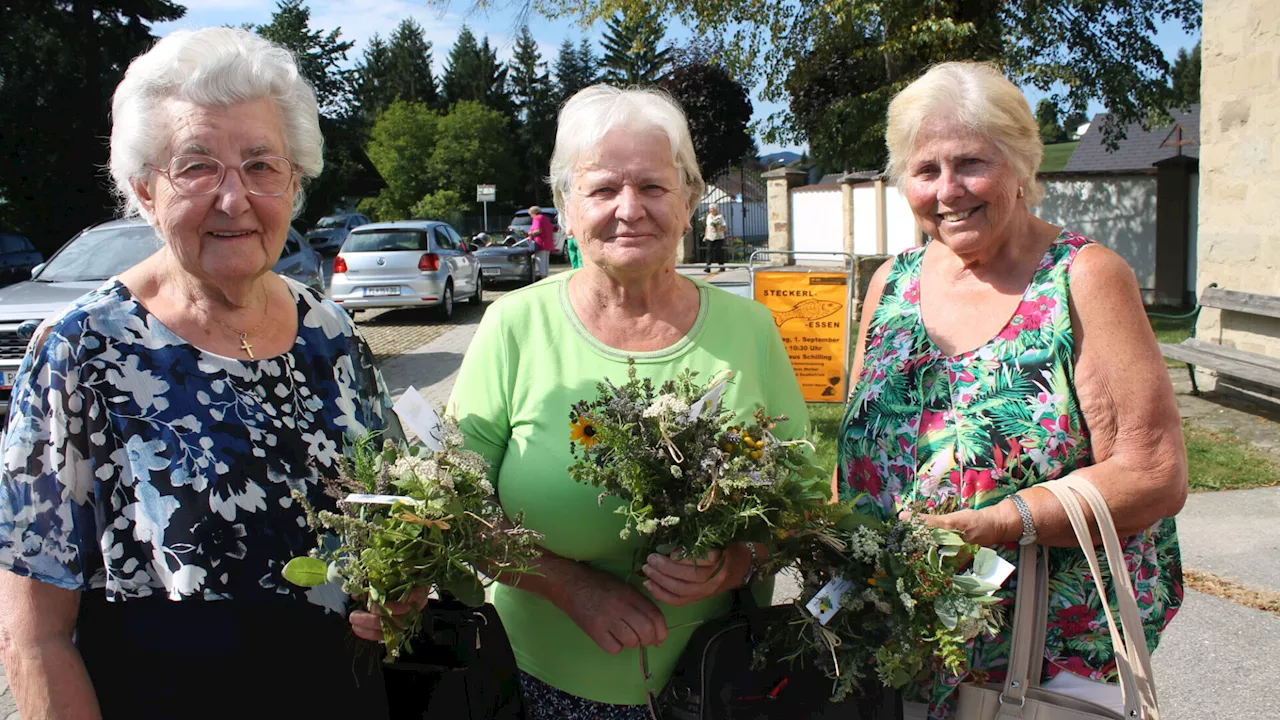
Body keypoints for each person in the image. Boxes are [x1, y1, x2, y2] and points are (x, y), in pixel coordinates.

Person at [0, 28, 412, 719]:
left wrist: (403, 587)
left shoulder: (331, 333)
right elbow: (34, 635)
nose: (234, 198)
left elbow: (393, 517)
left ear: (295, 182)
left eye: (260, 165)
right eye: (196, 167)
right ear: (143, 190)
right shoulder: (82, 351)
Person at [834, 61, 1186, 719]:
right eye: (925, 170)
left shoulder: (1082, 278)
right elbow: (855, 461)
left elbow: (1155, 473)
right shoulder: (892, 284)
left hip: (1042, 664)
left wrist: (998, 524)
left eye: (972, 163)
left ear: (1022, 164)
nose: (948, 190)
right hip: (894, 650)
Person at [448, 85, 809, 720]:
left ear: (689, 202)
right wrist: (567, 586)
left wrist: (734, 563)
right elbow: (453, 509)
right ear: (565, 207)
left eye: (653, 187)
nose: (629, 209)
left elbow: (801, 505)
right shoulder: (514, 327)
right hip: (541, 684)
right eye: (603, 189)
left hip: (725, 680)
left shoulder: (750, 331)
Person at [528, 205, 556, 278]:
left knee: (540, 262)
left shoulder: (537, 218)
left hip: (540, 243)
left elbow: (539, 230)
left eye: (530, 214)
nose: (531, 216)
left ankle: (542, 277)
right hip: (548, 243)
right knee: (545, 262)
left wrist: (530, 233)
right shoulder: (545, 218)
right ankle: (545, 276)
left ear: (533, 213)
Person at [703, 204, 727, 273]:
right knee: (709, 251)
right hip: (710, 236)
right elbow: (707, 226)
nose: (710, 210)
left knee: (718, 252)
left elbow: (724, 227)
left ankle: (721, 266)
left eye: (712, 209)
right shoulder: (709, 216)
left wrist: (718, 228)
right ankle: (708, 267)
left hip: (718, 237)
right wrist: (705, 235)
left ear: (715, 209)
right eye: (710, 209)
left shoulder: (720, 217)